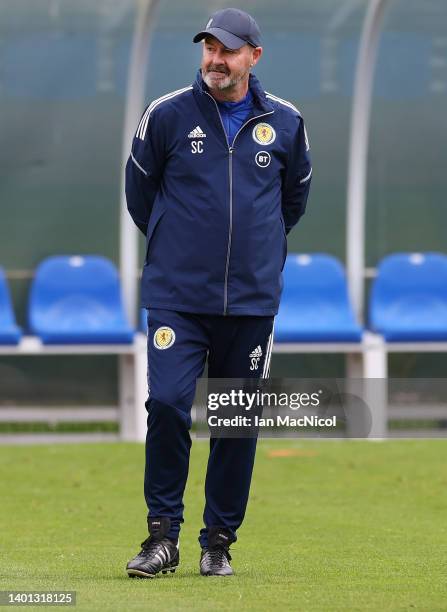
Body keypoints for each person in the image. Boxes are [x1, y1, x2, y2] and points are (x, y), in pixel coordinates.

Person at [125, 7, 312, 578]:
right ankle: (162, 538)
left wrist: (256, 258)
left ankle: (218, 543)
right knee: (166, 405)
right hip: (178, 299)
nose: (215, 59)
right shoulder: (167, 115)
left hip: (251, 304)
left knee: (235, 423)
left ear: (253, 57)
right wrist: (176, 250)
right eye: (208, 48)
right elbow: (141, 196)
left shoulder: (284, 122)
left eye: (228, 50)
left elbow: (292, 203)